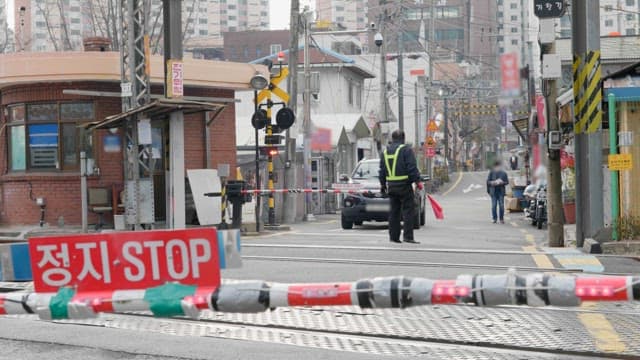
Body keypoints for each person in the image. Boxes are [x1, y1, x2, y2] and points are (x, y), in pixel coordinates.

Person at [379, 130, 422, 244]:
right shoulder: (406, 150)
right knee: (408, 211)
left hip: (391, 186)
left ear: (392, 139)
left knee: (394, 212)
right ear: (403, 138)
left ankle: (394, 237)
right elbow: (411, 167)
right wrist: (417, 181)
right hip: (404, 185)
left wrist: (383, 185)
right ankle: (408, 236)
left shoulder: (385, 152)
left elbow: (382, 170)